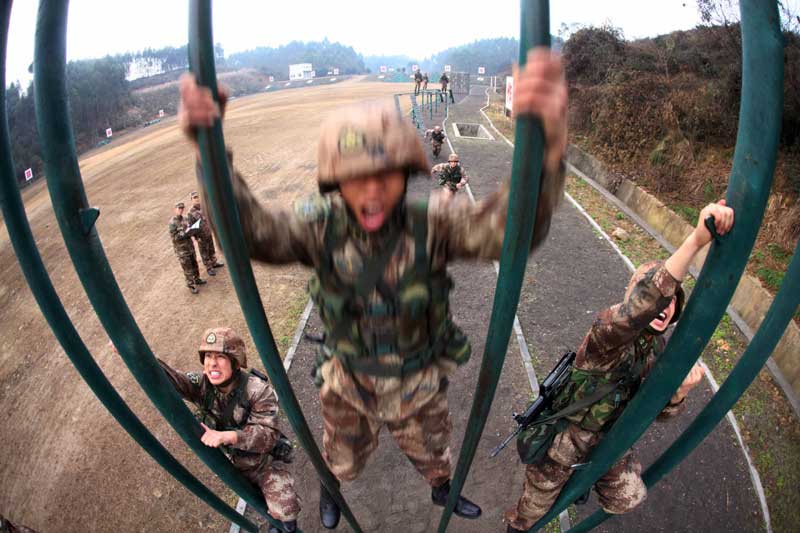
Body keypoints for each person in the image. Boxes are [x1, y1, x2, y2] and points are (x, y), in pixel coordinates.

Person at [178, 47, 568, 529]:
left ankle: (440, 487)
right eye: (355, 179)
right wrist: (210, 154)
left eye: (385, 176)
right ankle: (331, 486)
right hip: (350, 379)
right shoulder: (319, 228)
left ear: (405, 174)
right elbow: (250, 233)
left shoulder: (432, 225)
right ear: (336, 183)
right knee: (343, 455)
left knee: (432, 446)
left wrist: (547, 150)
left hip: (416, 373)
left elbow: (511, 231)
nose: (372, 192)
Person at [504, 200, 735, 532]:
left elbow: (656, 413)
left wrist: (679, 393)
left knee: (628, 498)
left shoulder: (657, 349)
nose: (665, 308)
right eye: (660, 300)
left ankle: (584, 482)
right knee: (533, 511)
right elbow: (644, 303)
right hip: (565, 440)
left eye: (672, 303)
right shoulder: (606, 333)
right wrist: (696, 241)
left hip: (609, 442)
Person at [155, 328, 301, 533]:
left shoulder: (258, 391)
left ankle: (279, 524)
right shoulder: (203, 385)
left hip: (262, 464)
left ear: (236, 361)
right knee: (257, 501)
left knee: (287, 512)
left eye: (220, 357)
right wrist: (139, 356)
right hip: (231, 465)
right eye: (208, 356)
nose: (212, 363)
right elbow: (173, 381)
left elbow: (267, 436)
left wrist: (228, 436)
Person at [168, 201, 205, 294]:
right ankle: (191, 285)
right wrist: (184, 233)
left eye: (182, 208)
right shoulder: (172, 223)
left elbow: (191, 229)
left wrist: (194, 234)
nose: (181, 210)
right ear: (175, 209)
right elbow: (174, 237)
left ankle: (197, 279)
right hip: (182, 250)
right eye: (179, 208)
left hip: (190, 247)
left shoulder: (185, 218)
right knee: (187, 268)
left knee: (194, 264)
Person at [186, 191, 225, 276]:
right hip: (200, 236)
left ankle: (214, 262)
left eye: (197, 197)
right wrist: (196, 237)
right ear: (191, 200)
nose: (197, 199)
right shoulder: (190, 213)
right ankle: (209, 267)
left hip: (208, 233)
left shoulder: (204, 207)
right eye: (194, 198)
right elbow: (190, 227)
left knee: (211, 248)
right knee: (204, 252)